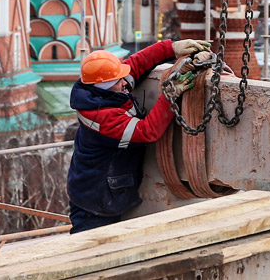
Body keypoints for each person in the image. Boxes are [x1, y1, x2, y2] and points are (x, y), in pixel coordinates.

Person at [67, 39, 210, 233]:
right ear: (106, 86)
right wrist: (169, 97)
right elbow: (147, 131)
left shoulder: (99, 87)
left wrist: (171, 48)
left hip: (91, 188)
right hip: (95, 198)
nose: (125, 82)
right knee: (92, 250)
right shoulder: (102, 116)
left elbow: (137, 63)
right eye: (119, 81)